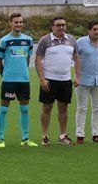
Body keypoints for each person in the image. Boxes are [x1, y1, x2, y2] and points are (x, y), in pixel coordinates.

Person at [35, 16, 81, 146]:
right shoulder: (45, 40)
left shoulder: (71, 40)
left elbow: (77, 59)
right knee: (47, 107)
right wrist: (42, 79)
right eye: (58, 25)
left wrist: (77, 76)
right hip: (49, 80)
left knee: (63, 108)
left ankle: (63, 136)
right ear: (52, 27)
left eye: (63, 25)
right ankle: (44, 136)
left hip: (65, 80)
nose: (61, 27)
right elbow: (38, 60)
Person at [0, 13, 37, 147]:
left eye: (20, 22)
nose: (19, 24)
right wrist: (5, 75)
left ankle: (25, 138)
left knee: (24, 109)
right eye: (16, 22)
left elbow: (27, 58)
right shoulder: (4, 41)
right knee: (4, 109)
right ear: (10, 23)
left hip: (24, 80)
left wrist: (22, 71)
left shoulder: (28, 40)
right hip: (9, 80)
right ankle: (1, 138)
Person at [74, 21, 98, 144]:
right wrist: (77, 75)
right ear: (89, 30)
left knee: (97, 109)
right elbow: (74, 58)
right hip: (83, 81)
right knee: (82, 108)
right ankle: (80, 135)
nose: (97, 32)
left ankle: (97, 134)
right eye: (94, 29)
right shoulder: (80, 42)